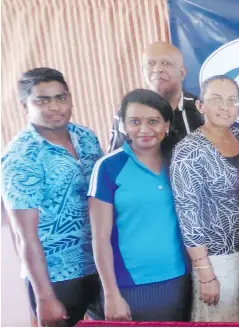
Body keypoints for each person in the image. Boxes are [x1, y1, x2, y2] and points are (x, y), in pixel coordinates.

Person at [1, 67, 103, 326]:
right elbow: (25, 235)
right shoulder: (21, 157)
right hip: (57, 277)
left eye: (61, 97)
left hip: (101, 264)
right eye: (42, 100)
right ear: (25, 105)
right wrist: (44, 297)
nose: (55, 107)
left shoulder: (86, 137)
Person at [88, 89, 190, 321]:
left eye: (153, 121)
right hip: (129, 286)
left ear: (166, 125)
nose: (144, 129)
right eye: (135, 121)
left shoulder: (179, 162)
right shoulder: (108, 167)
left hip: (179, 280)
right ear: (123, 125)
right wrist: (111, 294)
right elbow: (99, 238)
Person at [171, 75, 239, 322]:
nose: (224, 106)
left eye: (232, 100)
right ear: (200, 106)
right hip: (216, 259)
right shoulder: (188, 151)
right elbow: (189, 216)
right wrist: (206, 274)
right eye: (216, 99)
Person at [108, 41, 204, 156]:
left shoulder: (201, 110)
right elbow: (115, 164)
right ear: (143, 71)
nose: (157, 69)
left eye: (166, 63)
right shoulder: (126, 112)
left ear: (182, 73)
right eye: (151, 63)